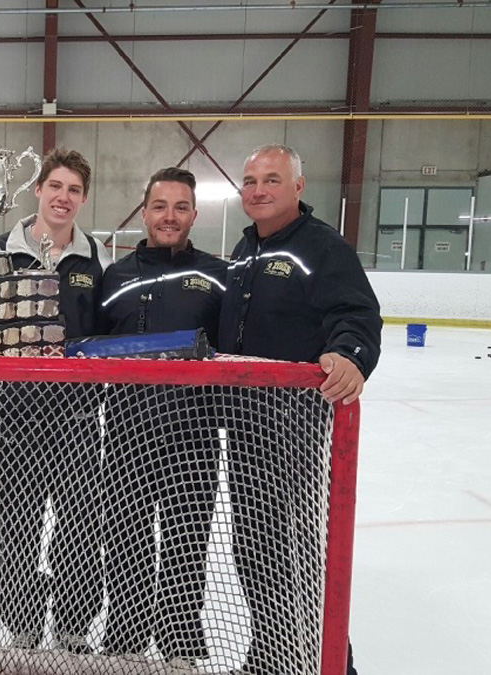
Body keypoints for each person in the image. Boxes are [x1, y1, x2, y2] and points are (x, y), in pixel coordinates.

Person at [220, 143, 380, 675]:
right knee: (255, 549)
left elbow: (356, 313)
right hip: (244, 425)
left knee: (294, 551)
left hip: (291, 428)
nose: (258, 190)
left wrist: (350, 353)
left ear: (297, 186)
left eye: (271, 179)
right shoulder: (246, 250)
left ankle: (332, 661)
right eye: (250, 181)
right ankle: (271, 652)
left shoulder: (321, 247)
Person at [97, 167, 228, 666]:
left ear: (194, 214)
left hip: (194, 437)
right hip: (127, 432)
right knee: (125, 542)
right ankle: (125, 639)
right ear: (144, 211)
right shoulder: (116, 276)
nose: (168, 217)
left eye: (179, 208)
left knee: (186, 546)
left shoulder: (219, 276)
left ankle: (180, 644)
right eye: (159, 206)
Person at [0, 148, 111, 653]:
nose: (64, 198)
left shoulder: (96, 259)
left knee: (80, 527)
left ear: (83, 198)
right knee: (16, 527)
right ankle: (21, 623)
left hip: (79, 417)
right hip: (17, 418)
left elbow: (106, 333)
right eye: (55, 187)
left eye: (75, 190)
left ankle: (73, 625)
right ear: (38, 190)